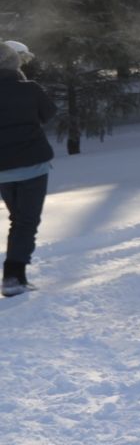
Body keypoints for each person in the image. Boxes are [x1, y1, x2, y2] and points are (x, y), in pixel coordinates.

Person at [1, 40, 54, 296]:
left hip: (3, 172)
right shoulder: (29, 89)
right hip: (33, 167)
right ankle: (13, 276)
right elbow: (48, 113)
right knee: (26, 222)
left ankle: (15, 275)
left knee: (18, 220)